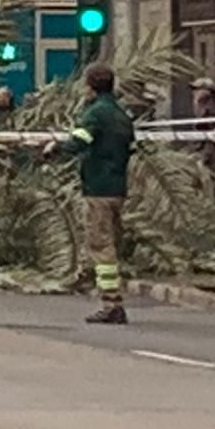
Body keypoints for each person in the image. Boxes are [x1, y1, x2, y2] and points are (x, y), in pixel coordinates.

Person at [49, 63, 135, 325]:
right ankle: (113, 298)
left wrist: (54, 148)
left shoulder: (95, 114)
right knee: (112, 242)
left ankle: (111, 303)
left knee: (101, 245)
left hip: (98, 187)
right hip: (118, 187)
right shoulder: (122, 114)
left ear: (90, 87)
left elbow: (78, 142)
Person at [191, 79, 215, 207]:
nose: (194, 92)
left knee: (213, 183)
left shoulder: (211, 107)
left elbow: (212, 131)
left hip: (210, 152)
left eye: (198, 89)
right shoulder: (200, 107)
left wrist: (206, 153)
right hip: (202, 149)